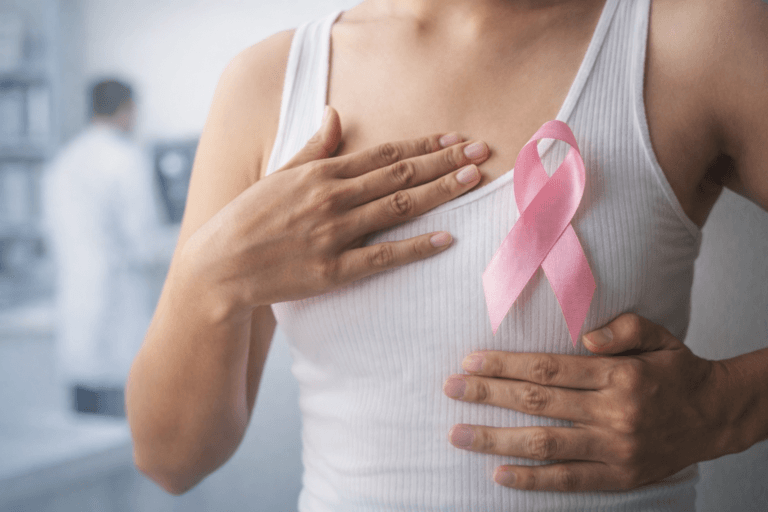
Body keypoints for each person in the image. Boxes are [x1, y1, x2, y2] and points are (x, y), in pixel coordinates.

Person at [126, 0, 768, 510]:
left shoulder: (698, 36)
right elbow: (173, 461)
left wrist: (726, 407)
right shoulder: (268, 84)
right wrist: (207, 279)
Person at [43, 79, 175, 418]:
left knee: (83, 434)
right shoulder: (126, 159)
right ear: (126, 110)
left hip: (77, 307)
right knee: (120, 435)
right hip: (118, 310)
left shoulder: (63, 162)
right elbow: (145, 244)